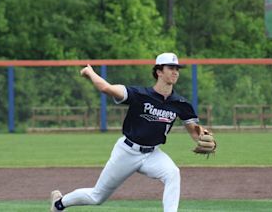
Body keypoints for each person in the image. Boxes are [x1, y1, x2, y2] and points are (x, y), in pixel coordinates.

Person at [51, 53, 209, 212]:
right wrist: (90, 72)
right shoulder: (139, 95)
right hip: (127, 152)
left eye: (177, 69)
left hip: (153, 154)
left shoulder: (180, 103)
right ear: (159, 72)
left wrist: (207, 137)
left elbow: (195, 131)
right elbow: (106, 88)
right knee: (97, 197)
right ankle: (59, 204)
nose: (175, 72)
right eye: (171, 68)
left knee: (173, 173)